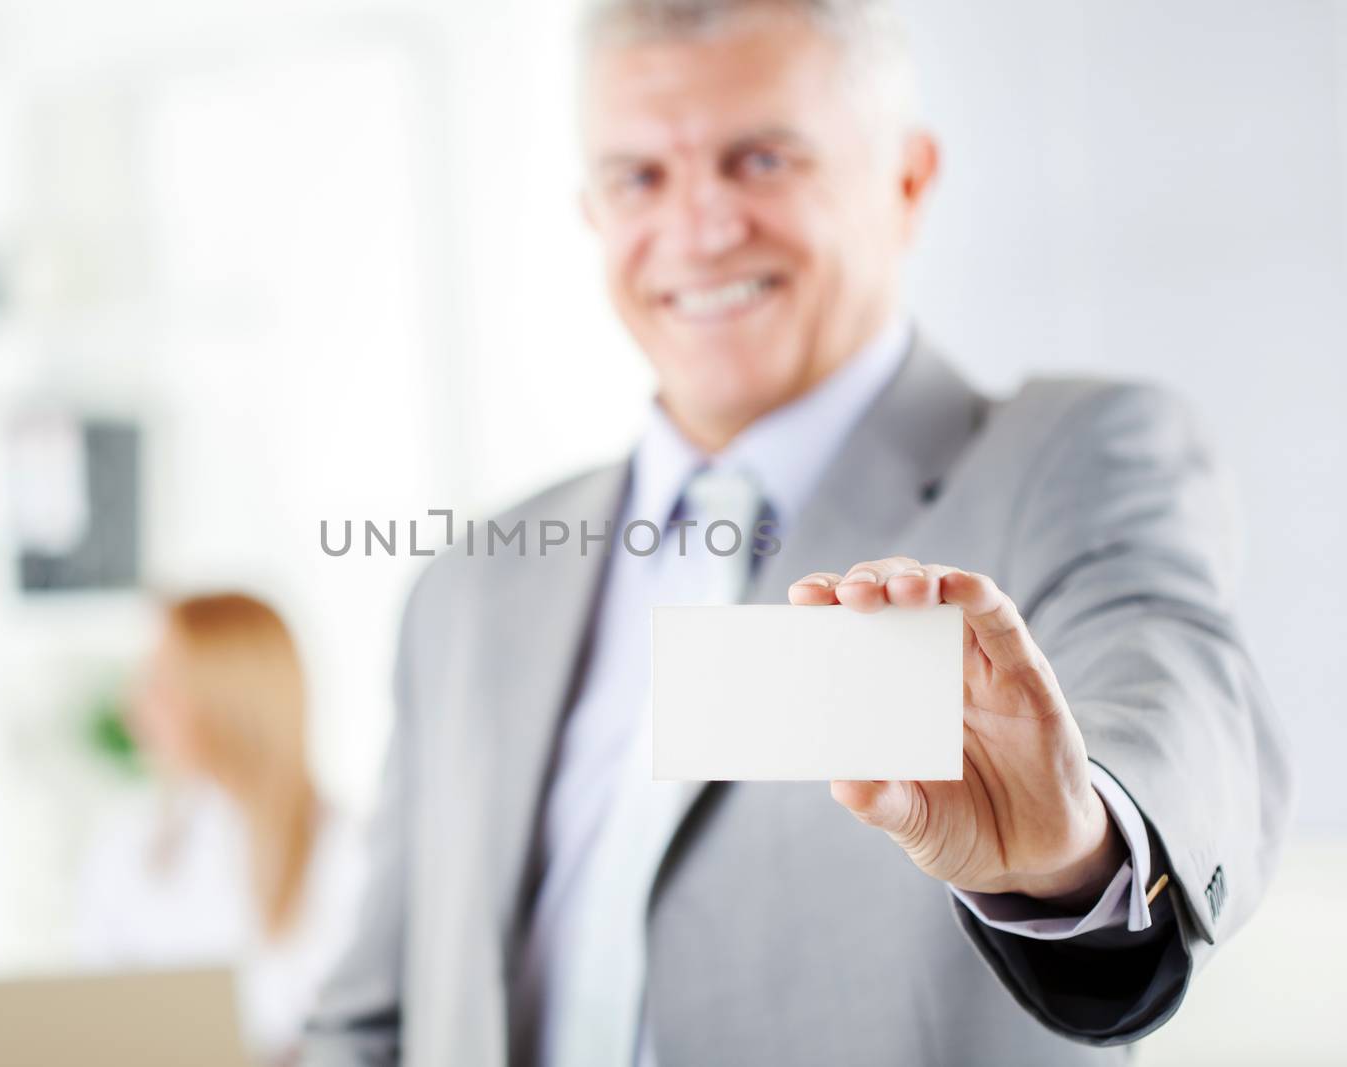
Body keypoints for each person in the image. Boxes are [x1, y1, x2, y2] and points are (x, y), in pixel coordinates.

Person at [302, 1, 1291, 1065]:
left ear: (905, 181)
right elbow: (373, 1017)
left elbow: (1177, 699)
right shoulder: (474, 581)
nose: (699, 227)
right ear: (590, 212)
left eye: (761, 159)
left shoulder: (1066, 459)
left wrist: (1076, 846)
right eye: (639, 176)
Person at [77, 592, 363, 1064]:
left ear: (228, 700)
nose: (134, 707)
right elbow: (93, 1023)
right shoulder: (125, 846)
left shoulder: (346, 851)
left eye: (161, 684)